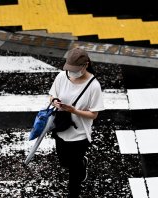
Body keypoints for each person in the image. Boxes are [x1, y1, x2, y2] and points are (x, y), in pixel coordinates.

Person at [49, 48, 105, 198]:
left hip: (80, 134)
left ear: (85, 65)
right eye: (69, 69)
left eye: (74, 69)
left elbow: (94, 114)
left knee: (74, 178)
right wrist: (54, 101)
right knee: (63, 162)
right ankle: (82, 163)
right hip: (61, 128)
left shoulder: (94, 86)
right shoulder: (62, 77)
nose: (71, 72)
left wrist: (74, 111)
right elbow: (52, 95)